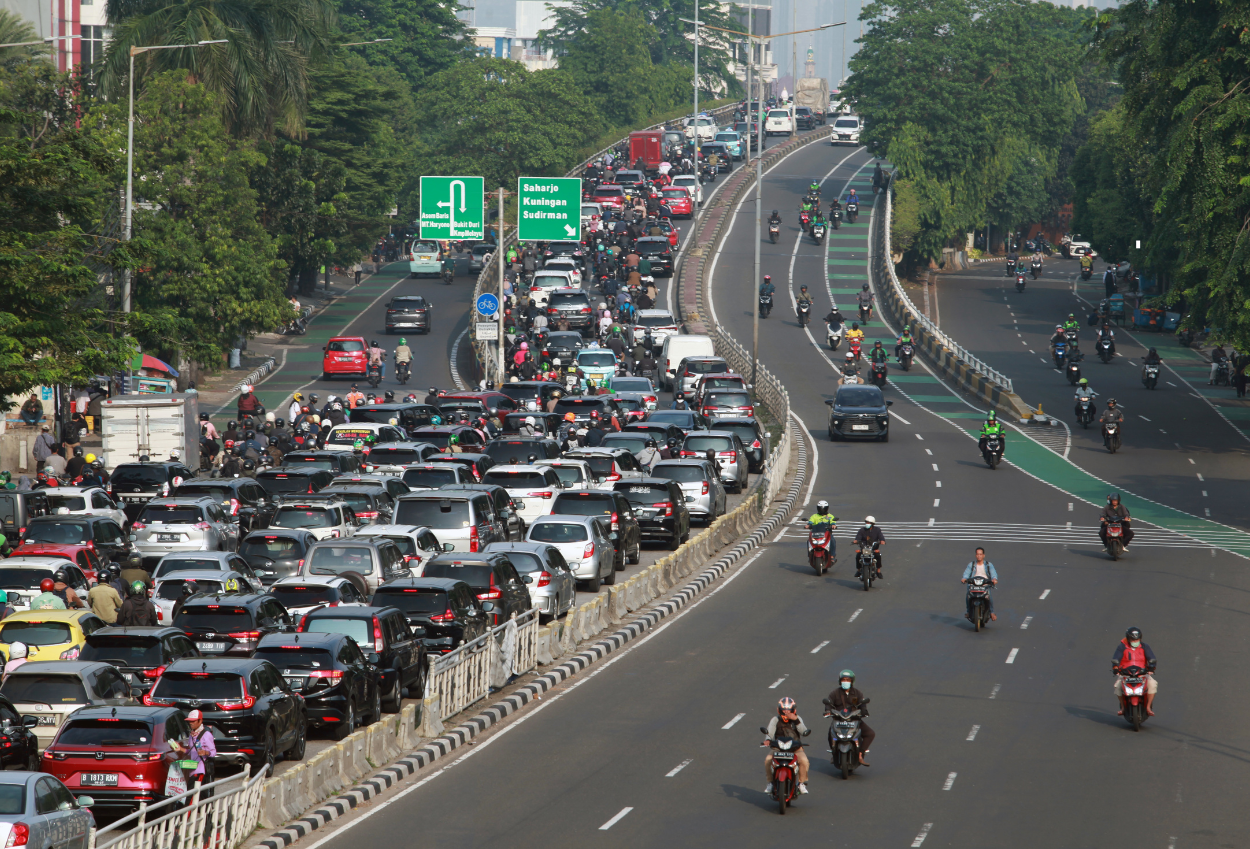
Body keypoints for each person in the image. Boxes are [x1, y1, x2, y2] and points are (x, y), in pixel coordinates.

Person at [763, 697, 810, 796]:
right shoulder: (775, 720)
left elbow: (804, 732)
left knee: (804, 761)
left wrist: (796, 720)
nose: (786, 712)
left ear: (793, 710)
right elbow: (769, 733)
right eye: (784, 710)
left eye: (789, 710)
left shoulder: (798, 718)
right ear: (779, 710)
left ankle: (801, 783)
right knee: (768, 760)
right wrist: (767, 740)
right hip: (778, 748)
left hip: (795, 749)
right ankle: (770, 783)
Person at [826, 670, 874, 766]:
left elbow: (862, 704)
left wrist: (864, 711)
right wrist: (828, 711)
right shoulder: (835, 693)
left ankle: (860, 755)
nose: (845, 681)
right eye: (843, 679)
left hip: (854, 719)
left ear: (852, 681)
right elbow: (829, 703)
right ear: (840, 681)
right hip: (839, 720)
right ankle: (834, 753)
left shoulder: (857, 693)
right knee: (831, 734)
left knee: (870, 733)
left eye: (848, 680)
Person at [1112, 627, 1157, 716]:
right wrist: (1116, 668)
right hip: (1125, 674)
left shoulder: (1145, 647)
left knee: (1153, 684)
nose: (1135, 642)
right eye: (1133, 640)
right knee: (1117, 686)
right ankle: (1123, 707)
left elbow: (1152, 658)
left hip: (1142, 673)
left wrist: (1151, 668)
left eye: (1137, 640)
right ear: (1128, 639)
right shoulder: (1122, 647)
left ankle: (1148, 707)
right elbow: (1116, 658)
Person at [171, 709, 218, 793]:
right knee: (193, 795)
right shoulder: (191, 735)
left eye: (193, 721)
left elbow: (213, 752)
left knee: (193, 796)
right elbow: (191, 752)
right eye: (189, 721)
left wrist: (205, 752)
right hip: (192, 770)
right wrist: (180, 749)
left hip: (201, 771)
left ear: (200, 721)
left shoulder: (206, 735)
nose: (191, 723)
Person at [961, 547, 998, 622]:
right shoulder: (971, 565)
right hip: (973, 585)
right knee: (968, 595)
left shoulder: (988, 565)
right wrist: (964, 578)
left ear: (983, 555)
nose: (979, 556)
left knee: (989, 596)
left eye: (980, 554)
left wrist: (994, 579)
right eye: (977, 554)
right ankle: (968, 611)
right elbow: (966, 573)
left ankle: (992, 612)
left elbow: (993, 573)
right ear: (975, 555)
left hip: (985, 585)